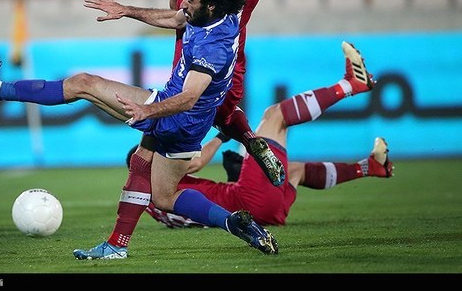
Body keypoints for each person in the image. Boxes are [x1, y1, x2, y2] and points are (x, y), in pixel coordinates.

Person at [0, 0, 279, 259]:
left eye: (190, 0)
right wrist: (127, 10)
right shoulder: (210, 12)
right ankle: (229, 222)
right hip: (188, 126)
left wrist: (148, 110)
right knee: (164, 194)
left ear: (209, 4)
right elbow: (175, 17)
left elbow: (189, 97)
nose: (183, 3)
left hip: (177, 114)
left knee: (84, 84)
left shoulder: (213, 47)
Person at [86, 0, 305, 187]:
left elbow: (174, 10)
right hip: (230, 64)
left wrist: (135, 10)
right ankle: (250, 139)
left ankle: (138, 216)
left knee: (155, 142)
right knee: (221, 113)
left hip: (190, 58)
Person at [134, 41, 395, 229]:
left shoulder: (153, 205)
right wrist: (224, 136)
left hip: (260, 211)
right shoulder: (161, 175)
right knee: (275, 116)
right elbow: (198, 161)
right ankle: (350, 84)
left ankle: (369, 168)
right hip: (248, 201)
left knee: (294, 171)